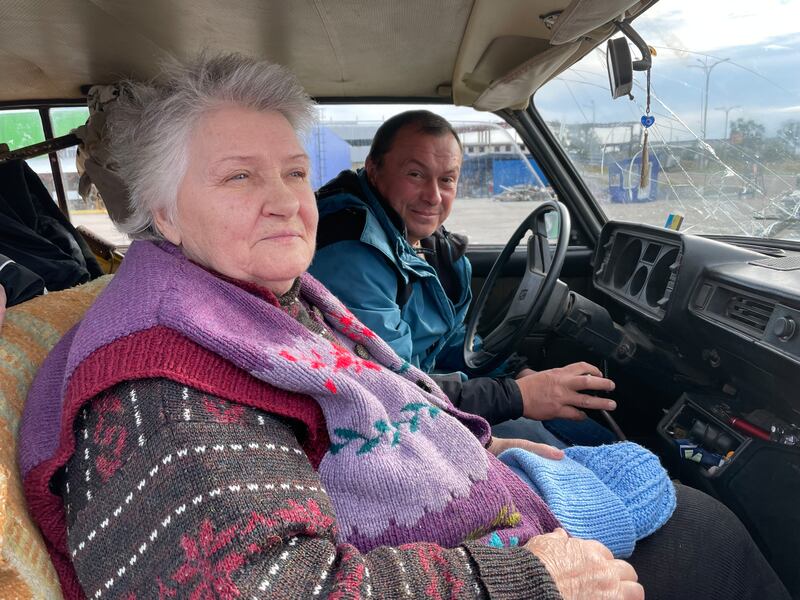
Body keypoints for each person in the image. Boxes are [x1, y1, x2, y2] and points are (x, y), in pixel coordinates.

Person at [18, 53, 788, 600]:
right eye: (239, 175)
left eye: (292, 171)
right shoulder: (163, 394)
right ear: (162, 212)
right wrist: (530, 579)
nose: (286, 199)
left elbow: (394, 395)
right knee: (705, 531)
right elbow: (257, 583)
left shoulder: (260, 297)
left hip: (450, 515)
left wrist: (485, 435)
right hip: (481, 564)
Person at [309, 111, 615, 447]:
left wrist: (516, 374)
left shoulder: (433, 247)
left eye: (447, 180)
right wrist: (515, 396)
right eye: (415, 174)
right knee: (568, 453)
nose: (434, 197)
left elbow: (454, 342)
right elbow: (392, 391)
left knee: (590, 433)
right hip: (391, 427)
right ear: (374, 169)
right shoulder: (352, 255)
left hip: (431, 395)